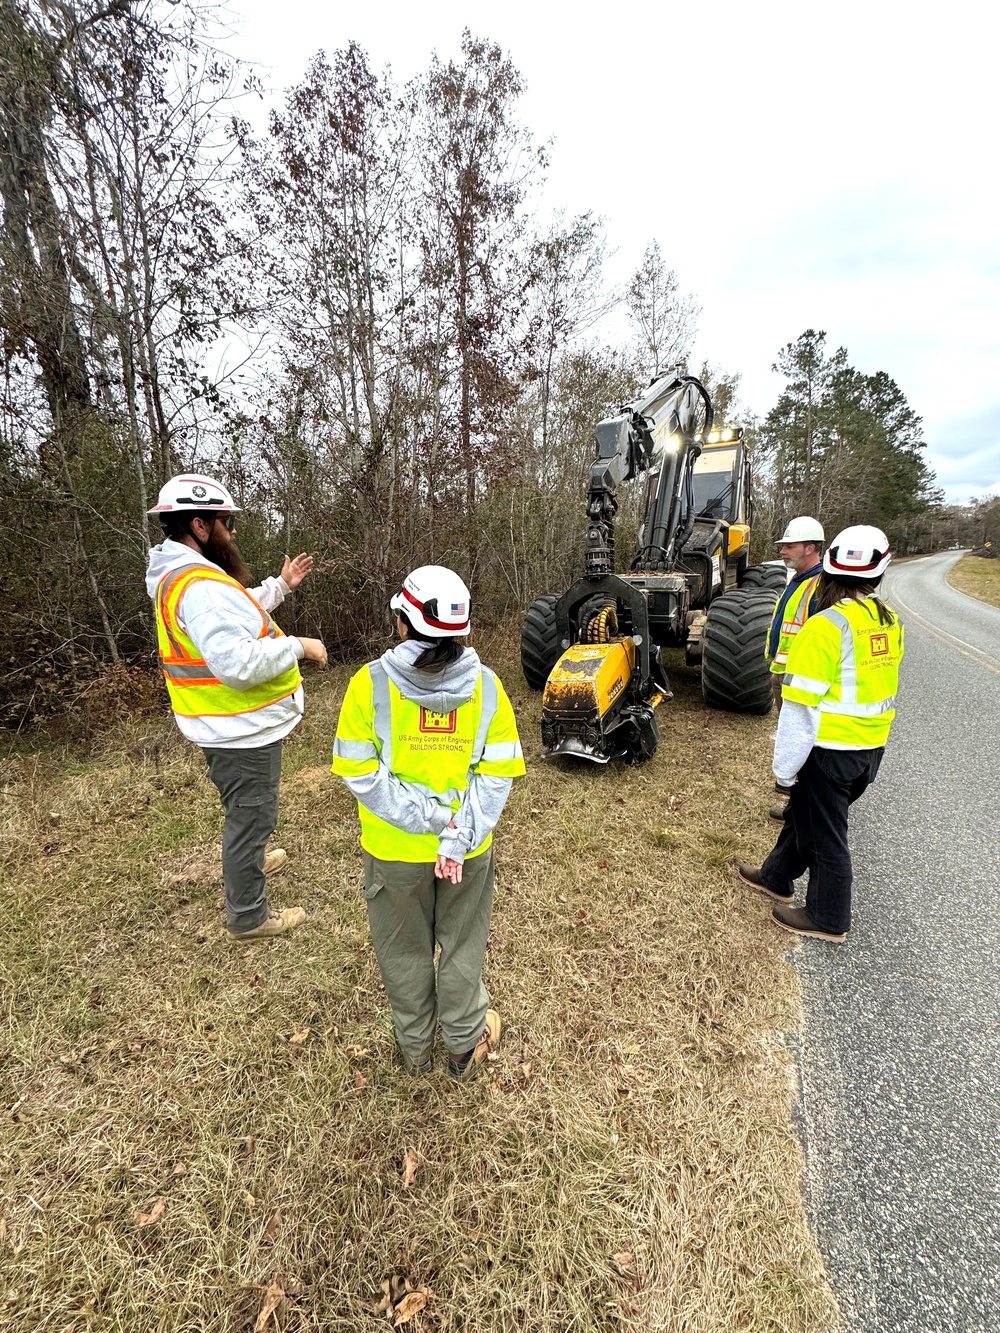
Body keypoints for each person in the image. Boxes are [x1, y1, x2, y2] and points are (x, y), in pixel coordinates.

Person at [332, 565, 525, 1079]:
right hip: (466, 855)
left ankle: (416, 1052)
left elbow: (360, 773)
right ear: (459, 630)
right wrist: (455, 833)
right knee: (462, 945)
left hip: (392, 853)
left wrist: (427, 821)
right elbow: (497, 775)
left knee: (403, 951)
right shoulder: (488, 688)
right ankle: (463, 1046)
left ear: (403, 621)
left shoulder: (368, 685)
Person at [145, 473, 328, 942]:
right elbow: (236, 662)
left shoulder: (186, 575)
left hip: (222, 724)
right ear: (201, 527)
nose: (233, 531)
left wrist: (281, 586)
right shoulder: (200, 585)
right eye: (226, 522)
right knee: (252, 814)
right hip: (239, 728)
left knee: (244, 808)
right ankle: (248, 914)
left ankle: (249, 855)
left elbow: (237, 608)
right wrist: (297, 647)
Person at [735, 525, 903, 942]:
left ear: (826, 568)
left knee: (826, 833)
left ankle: (829, 918)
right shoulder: (888, 620)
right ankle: (776, 876)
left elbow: (800, 709)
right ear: (880, 572)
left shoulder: (824, 627)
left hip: (828, 750)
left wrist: (785, 770)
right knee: (806, 817)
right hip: (869, 748)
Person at [765, 515, 825, 822]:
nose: (783, 551)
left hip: (801, 679)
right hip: (787, 674)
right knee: (794, 740)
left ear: (811, 547)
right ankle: (797, 803)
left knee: (803, 743)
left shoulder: (819, 585)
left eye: (790, 546)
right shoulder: (799, 580)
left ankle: (800, 807)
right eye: (783, 546)